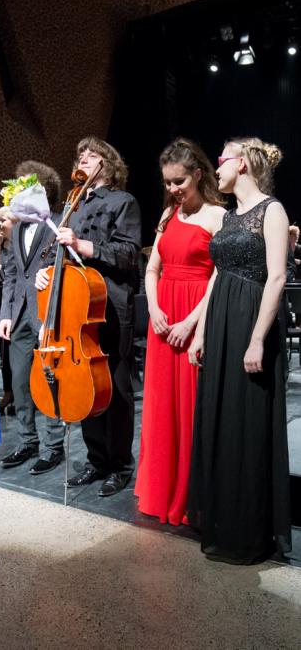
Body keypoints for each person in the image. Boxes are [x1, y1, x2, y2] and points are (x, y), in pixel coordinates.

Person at [187, 136, 292, 564]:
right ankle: (223, 519)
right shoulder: (231, 218)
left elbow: (278, 278)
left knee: (247, 421)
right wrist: (200, 332)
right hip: (223, 320)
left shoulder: (273, 210)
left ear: (243, 164)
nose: (217, 167)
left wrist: (256, 338)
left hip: (252, 319)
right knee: (221, 417)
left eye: (222, 159)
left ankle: (249, 530)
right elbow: (217, 276)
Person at [36, 137, 141, 495]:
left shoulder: (123, 201)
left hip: (110, 305)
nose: (83, 157)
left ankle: (120, 464)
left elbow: (129, 254)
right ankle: (97, 461)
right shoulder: (73, 204)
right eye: (80, 153)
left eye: (92, 154)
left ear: (108, 163)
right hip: (76, 309)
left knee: (116, 386)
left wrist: (83, 245)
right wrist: (45, 271)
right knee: (84, 383)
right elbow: (57, 250)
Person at [134, 138, 225, 525]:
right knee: (160, 408)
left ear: (198, 175)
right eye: (168, 182)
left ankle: (188, 496)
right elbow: (152, 268)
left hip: (194, 318)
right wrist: (154, 307)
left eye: (179, 182)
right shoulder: (168, 214)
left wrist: (191, 321)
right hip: (162, 320)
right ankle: (159, 489)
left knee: (189, 410)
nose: (172, 189)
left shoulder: (218, 216)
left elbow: (220, 277)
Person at [0, 161, 66, 474]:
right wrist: (6, 314)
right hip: (21, 314)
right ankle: (27, 440)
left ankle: (53, 447)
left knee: (48, 381)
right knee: (20, 380)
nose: (17, 190)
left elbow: (63, 267)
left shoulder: (57, 222)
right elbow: (11, 272)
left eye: (24, 185)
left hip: (47, 312)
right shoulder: (18, 228)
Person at [0, 207, 17, 414]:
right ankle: (9, 391)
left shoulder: (18, 248)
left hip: (18, 304)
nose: (0, 224)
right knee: (5, 351)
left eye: (5, 219)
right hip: (1, 303)